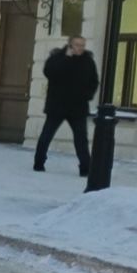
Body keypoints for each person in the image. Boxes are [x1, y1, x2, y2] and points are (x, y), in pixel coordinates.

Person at [34, 35, 98, 175]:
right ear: (70, 45)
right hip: (57, 105)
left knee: (81, 139)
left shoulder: (88, 61)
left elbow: (94, 81)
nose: (80, 48)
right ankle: (39, 163)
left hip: (78, 106)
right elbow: (49, 73)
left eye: (82, 45)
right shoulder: (57, 57)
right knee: (47, 135)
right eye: (77, 44)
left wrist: (87, 95)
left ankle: (86, 168)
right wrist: (66, 58)